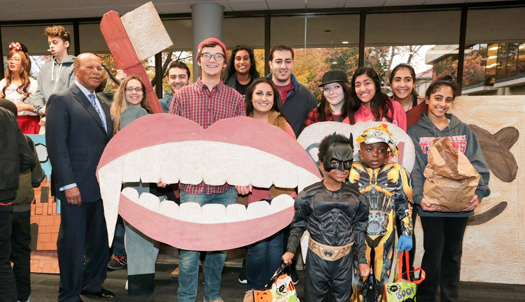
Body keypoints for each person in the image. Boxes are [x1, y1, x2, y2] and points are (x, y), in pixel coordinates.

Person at [168, 37, 248, 302]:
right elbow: (173, 141)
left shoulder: (236, 99)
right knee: (189, 250)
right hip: (192, 185)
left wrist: (240, 175)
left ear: (225, 63)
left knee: (218, 249)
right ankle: (186, 298)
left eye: (217, 56)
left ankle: (212, 296)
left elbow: (240, 142)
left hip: (224, 186)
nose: (212, 60)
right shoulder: (182, 96)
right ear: (199, 59)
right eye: (207, 55)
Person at [407, 76, 490, 302]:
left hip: (461, 205)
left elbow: (478, 163)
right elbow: (415, 168)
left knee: (453, 254)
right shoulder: (416, 132)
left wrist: (479, 193)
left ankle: (449, 297)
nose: (442, 104)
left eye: (448, 100)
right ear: (427, 99)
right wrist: (419, 197)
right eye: (438, 98)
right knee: (433, 253)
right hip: (431, 205)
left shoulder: (462, 130)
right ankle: (425, 297)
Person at [46, 53, 114, 302]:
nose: (97, 71)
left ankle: (92, 286)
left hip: (101, 189)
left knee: (99, 244)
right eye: (90, 67)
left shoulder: (104, 103)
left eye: (99, 67)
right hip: (76, 188)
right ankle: (70, 295)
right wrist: (68, 184)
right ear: (76, 70)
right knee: (73, 246)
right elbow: (57, 146)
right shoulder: (61, 100)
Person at [282, 133, 370, 302]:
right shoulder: (308, 195)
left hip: (344, 260)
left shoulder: (357, 197)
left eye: (347, 163)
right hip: (317, 259)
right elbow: (298, 225)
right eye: (335, 163)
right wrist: (290, 250)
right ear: (322, 164)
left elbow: (360, 229)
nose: (342, 169)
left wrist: (362, 261)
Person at [242, 78, 295, 302]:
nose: (264, 98)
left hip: (279, 191)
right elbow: (236, 156)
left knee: (274, 244)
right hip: (251, 192)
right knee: (256, 245)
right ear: (251, 97)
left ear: (275, 99)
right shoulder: (242, 123)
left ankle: (273, 289)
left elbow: (292, 155)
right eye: (259, 94)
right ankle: (255, 288)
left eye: (268, 94)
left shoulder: (281, 122)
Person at [348, 123, 413, 302]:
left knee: (383, 280)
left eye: (381, 150)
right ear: (360, 152)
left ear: (389, 153)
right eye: (369, 149)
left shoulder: (399, 172)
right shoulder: (350, 171)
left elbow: (404, 205)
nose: (375, 154)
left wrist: (407, 233)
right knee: (356, 283)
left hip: (387, 236)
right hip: (357, 236)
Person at [0, 99, 45, 302]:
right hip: (18, 205)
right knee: (19, 254)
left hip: (5, 203)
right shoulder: (25, 140)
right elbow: (35, 174)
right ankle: (23, 296)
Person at [31, 25, 76, 129]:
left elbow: (73, 93)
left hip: (67, 121)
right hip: (45, 120)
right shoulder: (45, 68)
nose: (51, 46)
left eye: (55, 42)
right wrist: (40, 109)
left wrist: (52, 112)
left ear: (66, 44)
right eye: (49, 43)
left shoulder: (75, 65)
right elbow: (38, 93)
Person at [268, 44, 316, 137]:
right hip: (264, 150)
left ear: (293, 63)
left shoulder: (306, 95)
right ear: (270, 64)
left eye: (288, 61)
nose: (283, 66)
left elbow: (313, 130)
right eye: (278, 62)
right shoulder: (258, 93)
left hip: (296, 150)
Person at [343, 67, 407, 131]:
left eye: (367, 83)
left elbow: (404, 137)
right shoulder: (351, 118)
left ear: (375, 85)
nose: (362, 89)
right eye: (357, 85)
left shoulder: (394, 107)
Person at [0, 42, 38, 134]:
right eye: (9, 59)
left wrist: (25, 107)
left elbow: (42, 108)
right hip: (7, 125)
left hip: (29, 124)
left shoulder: (33, 83)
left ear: (24, 63)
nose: (11, 62)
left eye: (16, 59)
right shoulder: (3, 83)